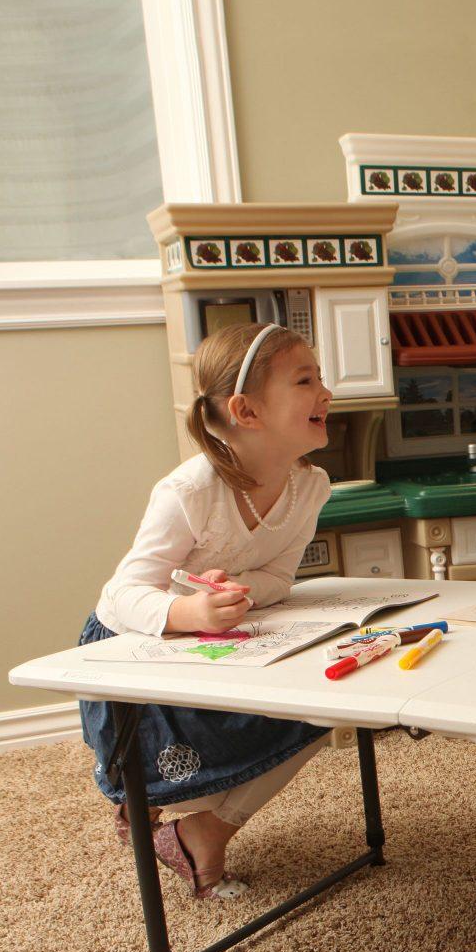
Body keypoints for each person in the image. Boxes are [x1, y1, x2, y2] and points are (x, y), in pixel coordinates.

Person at [78, 322, 333, 899]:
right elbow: (121, 594)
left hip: (218, 637)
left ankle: (197, 829)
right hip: (138, 657)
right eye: (305, 381)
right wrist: (190, 612)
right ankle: (156, 809)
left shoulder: (310, 487)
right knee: (196, 754)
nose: (326, 392)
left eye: (320, 378)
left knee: (330, 703)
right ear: (246, 411)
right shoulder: (189, 491)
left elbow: (279, 577)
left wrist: (236, 592)